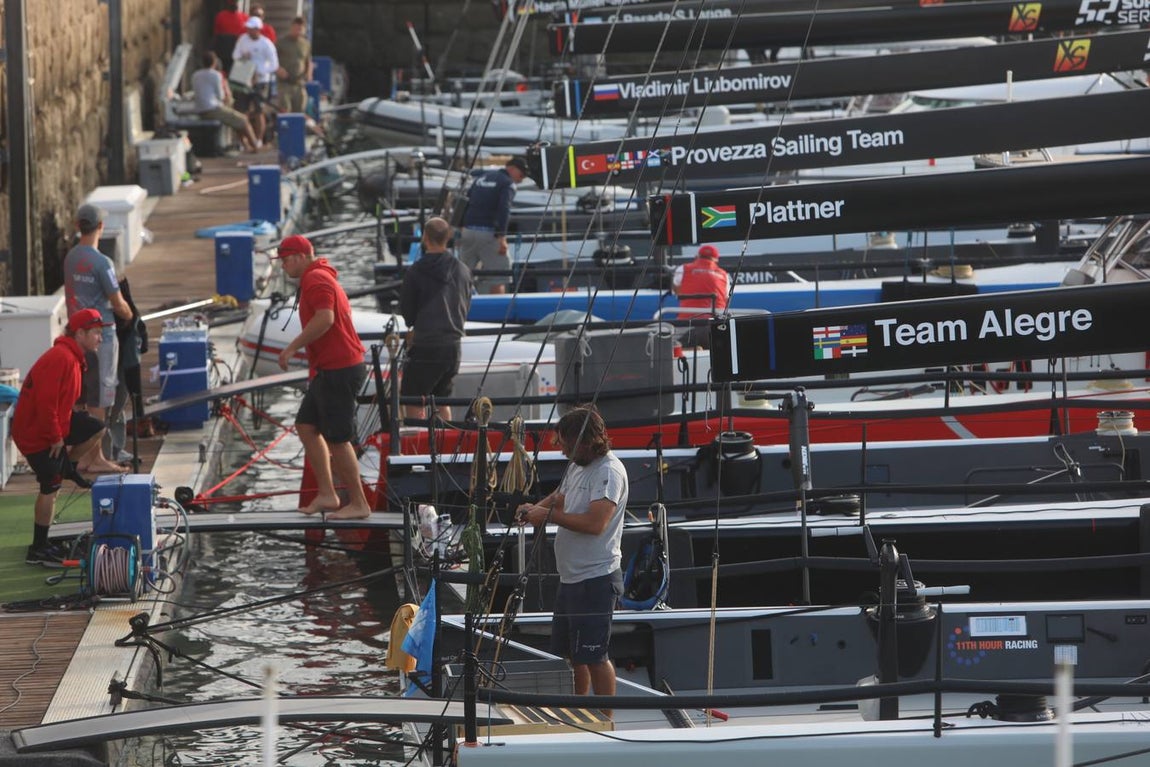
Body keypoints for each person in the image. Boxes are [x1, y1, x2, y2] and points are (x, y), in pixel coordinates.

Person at [516, 405, 629, 701]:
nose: (562, 450)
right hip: (571, 578)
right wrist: (534, 508)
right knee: (572, 654)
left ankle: (605, 717)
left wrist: (547, 516)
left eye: (566, 444)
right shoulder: (578, 466)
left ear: (587, 441)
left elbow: (595, 524)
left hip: (596, 578)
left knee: (594, 655)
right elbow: (560, 496)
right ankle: (577, 710)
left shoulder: (608, 472)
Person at [273, 235, 372, 520]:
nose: (283, 266)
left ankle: (359, 503)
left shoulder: (316, 279)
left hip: (340, 368)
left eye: (285, 260)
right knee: (306, 425)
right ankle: (328, 494)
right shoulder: (316, 276)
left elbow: (325, 317)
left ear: (300, 256)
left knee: (338, 439)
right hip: (328, 368)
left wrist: (292, 348)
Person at [14, 310, 123, 566]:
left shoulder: (73, 357)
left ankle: (68, 466)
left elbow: (62, 400)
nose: (100, 338)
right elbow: (45, 403)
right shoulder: (61, 358)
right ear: (80, 334)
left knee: (96, 428)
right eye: (96, 333)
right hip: (35, 432)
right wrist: (55, 438)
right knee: (50, 486)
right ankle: (38, 549)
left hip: (54, 423)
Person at [62, 204, 135, 459]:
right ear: (101, 227)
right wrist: (131, 316)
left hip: (76, 335)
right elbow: (118, 303)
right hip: (100, 336)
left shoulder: (70, 258)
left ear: (77, 226)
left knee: (80, 395)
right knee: (101, 396)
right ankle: (96, 458)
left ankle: (82, 453)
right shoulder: (103, 263)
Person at [398, 217, 472, 422]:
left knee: (413, 399)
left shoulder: (416, 271)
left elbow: (408, 311)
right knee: (442, 400)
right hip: (453, 346)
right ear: (448, 238)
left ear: (425, 238)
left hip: (426, 345)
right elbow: (466, 303)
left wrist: (413, 325)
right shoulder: (462, 270)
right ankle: (445, 438)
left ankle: (417, 438)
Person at [459, 156, 528, 294]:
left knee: (463, 276)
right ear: (512, 169)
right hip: (488, 234)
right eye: (521, 175)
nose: (521, 180)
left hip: (468, 231)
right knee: (499, 277)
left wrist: (461, 226)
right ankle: (498, 308)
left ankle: (463, 305)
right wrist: (502, 237)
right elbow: (504, 208)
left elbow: (466, 200)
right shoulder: (507, 183)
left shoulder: (481, 178)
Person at [191, 51, 262, 153]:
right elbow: (221, 96)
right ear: (214, 62)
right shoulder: (216, 75)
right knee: (244, 120)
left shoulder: (195, 75)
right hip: (212, 109)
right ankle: (255, 146)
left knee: (236, 119)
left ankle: (246, 146)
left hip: (199, 109)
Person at [672, 243, 730, 349]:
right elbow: (726, 299)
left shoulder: (683, 269)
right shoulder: (724, 274)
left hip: (687, 323)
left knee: (674, 346)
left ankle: (686, 350)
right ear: (716, 259)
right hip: (715, 325)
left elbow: (676, 291)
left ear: (697, 256)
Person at [232, 16, 279, 145]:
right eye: (248, 28)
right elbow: (235, 55)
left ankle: (258, 139)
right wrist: (243, 56)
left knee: (259, 110)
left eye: (252, 29)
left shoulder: (266, 44)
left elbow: (274, 64)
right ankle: (244, 141)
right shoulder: (242, 39)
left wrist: (260, 71)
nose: (249, 31)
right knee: (241, 110)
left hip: (260, 81)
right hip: (244, 78)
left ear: (258, 29)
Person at [276, 16, 312, 115]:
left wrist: (308, 74)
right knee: (285, 110)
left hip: (299, 83)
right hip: (285, 83)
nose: (298, 31)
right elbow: (273, 60)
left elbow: (308, 60)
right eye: (296, 28)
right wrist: (278, 69)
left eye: (300, 29)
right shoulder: (281, 42)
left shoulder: (306, 44)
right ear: (291, 27)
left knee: (300, 110)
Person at [211, 0, 248, 75]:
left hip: (239, 48)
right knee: (224, 69)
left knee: (238, 72)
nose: (235, 4)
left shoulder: (245, 17)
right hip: (224, 49)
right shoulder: (221, 15)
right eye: (233, 2)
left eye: (236, 2)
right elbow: (217, 32)